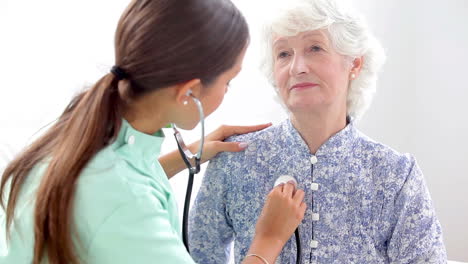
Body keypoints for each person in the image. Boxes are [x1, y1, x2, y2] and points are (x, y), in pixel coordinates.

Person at [0, 0, 307, 263]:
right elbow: (118, 202)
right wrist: (269, 238)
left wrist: (185, 157)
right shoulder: (122, 202)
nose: (227, 91)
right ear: (189, 93)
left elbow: (110, 190)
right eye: (229, 81)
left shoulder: (76, 132)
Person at [188, 0, 447, 263]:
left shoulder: (396, 175)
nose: (297, 67)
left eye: (315, 48)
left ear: (355, 65)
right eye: (283, 54)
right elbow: (195, 256)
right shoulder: (234, 159)